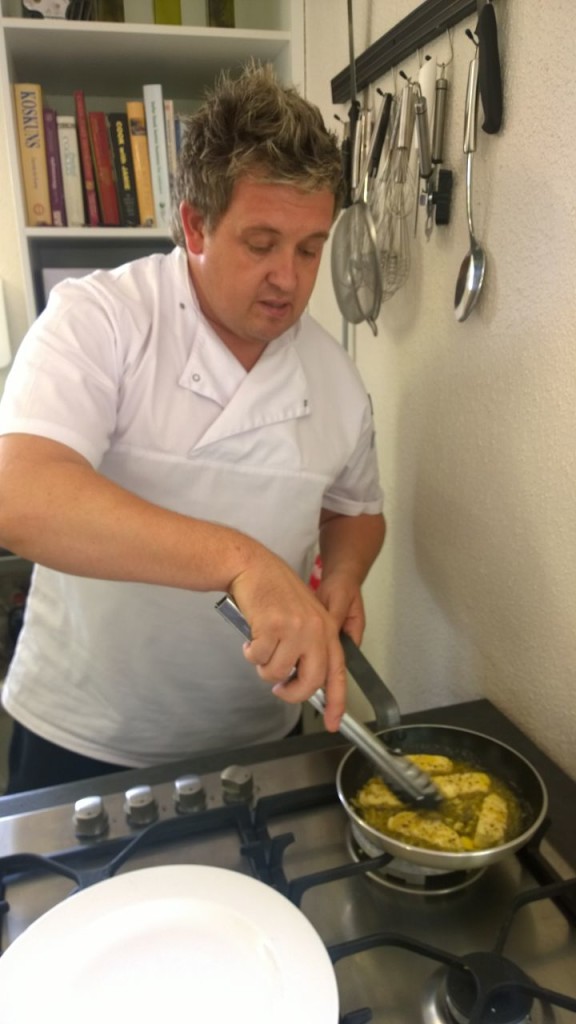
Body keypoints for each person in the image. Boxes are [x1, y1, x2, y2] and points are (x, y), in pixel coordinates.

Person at [0, 62, 385, 794]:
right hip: (85, 735)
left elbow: (357, 510)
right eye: (261, 242)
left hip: (260, 733)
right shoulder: (103, 318)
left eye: (310, 249)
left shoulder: (335, 378)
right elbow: (21, 498)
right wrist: (246, 562)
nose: (289, 279)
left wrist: (341, 576)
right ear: (195, 226)